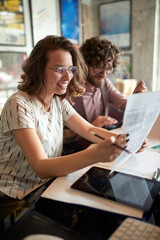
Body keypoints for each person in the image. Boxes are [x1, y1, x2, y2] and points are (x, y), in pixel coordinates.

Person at [0, 35, 128, 225]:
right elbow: (41, 167)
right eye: (60, 69)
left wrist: (125, 140)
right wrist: (93, 155)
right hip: (12, 195)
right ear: (38, 68)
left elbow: (90, 129)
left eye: (71, 69)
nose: (68, 76)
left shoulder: (57, 100)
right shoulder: (19, 104)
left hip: (44, 186)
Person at [63, 36, 147, 152]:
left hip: (100, 148)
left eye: (108, 69)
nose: (104, 75)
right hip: (76, 152)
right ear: (84, 65)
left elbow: (124, 105)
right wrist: (92, 126)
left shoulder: (105, 84)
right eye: (98, 68)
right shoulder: (68, 89)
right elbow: (60, 135)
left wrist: (137, 99)